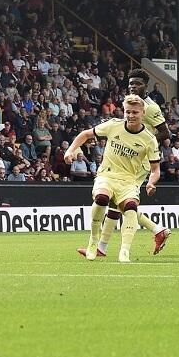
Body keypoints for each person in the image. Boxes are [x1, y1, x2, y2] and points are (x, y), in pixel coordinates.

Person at [65, 95, 161, 263]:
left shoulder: (149, 140)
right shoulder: (113, 125)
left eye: (135, 113)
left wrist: (151, 182)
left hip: (128, 180)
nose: (131, 116)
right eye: (128, 112)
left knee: (131, 208)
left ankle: (124, 251)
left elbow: (155, 170)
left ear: (143, 113)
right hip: (107, 175)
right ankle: (93, 243)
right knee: (102, 198)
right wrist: (70, 150)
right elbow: (86, 134)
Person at [86, 68, 171, 258]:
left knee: (121, 202)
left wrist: (143, 145)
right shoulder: (133, 105)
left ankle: (103, 247)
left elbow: (166, 133)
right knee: (118, 203)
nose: (133, 87)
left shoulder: (150, 107)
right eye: (131, 83)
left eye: (137, 83)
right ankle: (155, 230)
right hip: (127, 158)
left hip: (137, 162)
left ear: (146, 86)